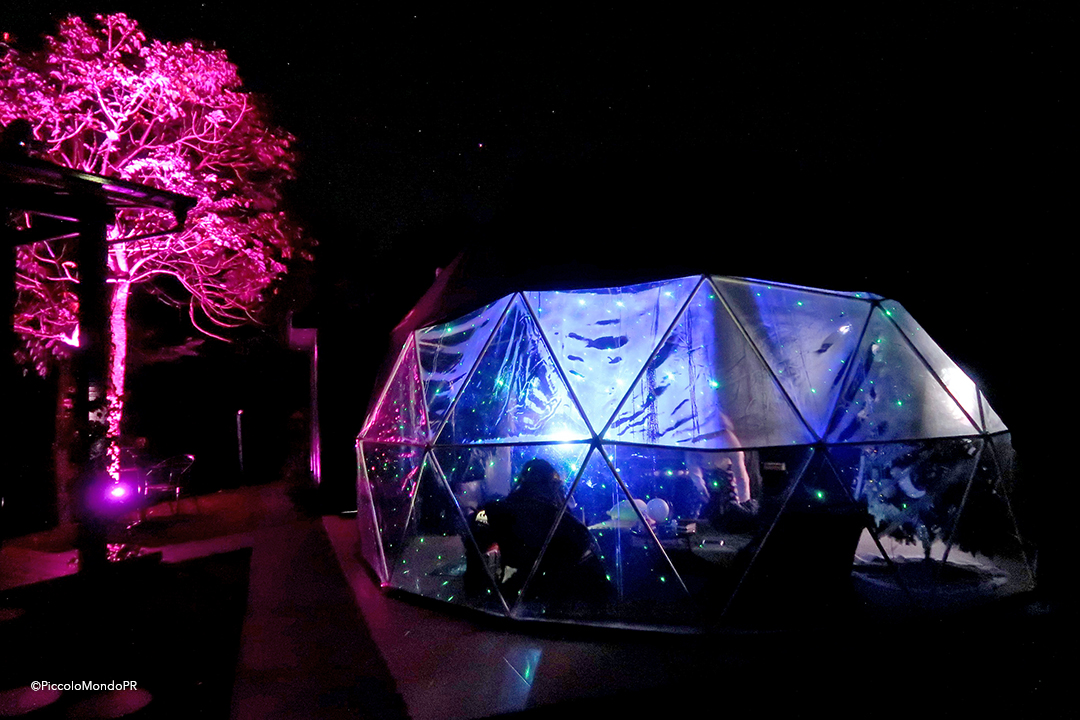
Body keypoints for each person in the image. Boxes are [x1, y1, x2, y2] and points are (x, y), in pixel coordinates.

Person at [467, 459, 610, 605]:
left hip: (560, 595)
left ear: (522, 481)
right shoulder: (564, 522)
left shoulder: (496, 511)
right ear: (553, 486)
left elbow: (475, 550)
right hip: (569, 597)